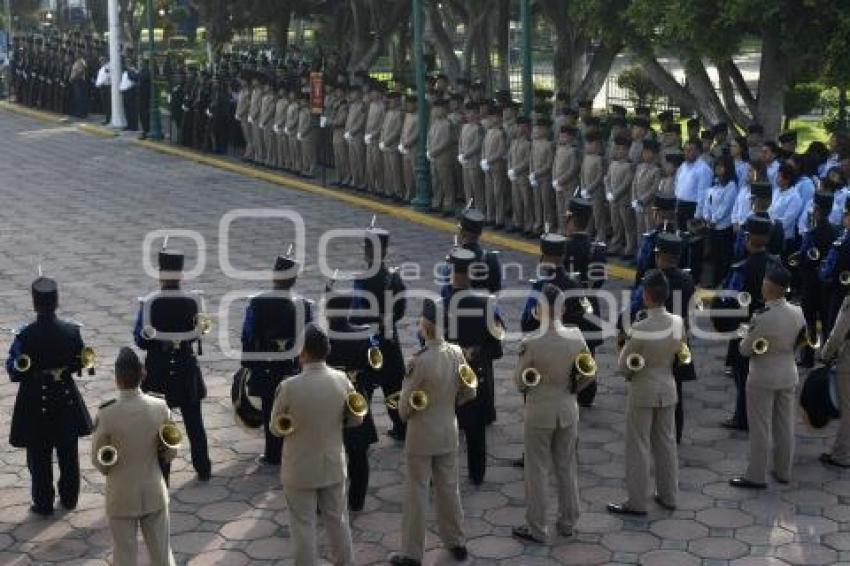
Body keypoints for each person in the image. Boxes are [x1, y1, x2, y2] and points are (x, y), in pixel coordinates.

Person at [389, 300, 474, 566]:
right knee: (449, 488)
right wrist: (450, 405)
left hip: (421, 436)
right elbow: (469, 390)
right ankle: (457, 541)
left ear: (425, 327)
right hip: (448, 430)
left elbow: (404, 409)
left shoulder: (419, 361)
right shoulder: (457, 353)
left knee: (416, 492)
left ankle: (412, 554)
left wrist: (407, 412)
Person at [270, 323, 359, 566]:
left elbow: (275, 428)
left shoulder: (289, 387)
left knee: (303, 526)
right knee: (338, 520)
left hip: (299, 467)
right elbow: (356, 418)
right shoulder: (342, 379)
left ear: (304, 352)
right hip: (332, 463)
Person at [6, 276, 93, 516]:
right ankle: (70, 497)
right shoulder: (72, 331)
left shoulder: (24, 336)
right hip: (65, 395)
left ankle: (43, 503)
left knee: (38, 453)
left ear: (35, 304)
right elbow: (79, 363)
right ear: (57, 302)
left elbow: (14, 371)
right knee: (68, 449)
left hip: (35, 398)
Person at [512, 284, 586, 543]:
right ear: (563, 309)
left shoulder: (531, 342)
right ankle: (568, 521)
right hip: (567, 409)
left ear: (541, 309)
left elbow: (520, 382)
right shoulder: (576, 336)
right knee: (566, 466)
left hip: (540, 412)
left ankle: (537, 527)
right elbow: (588, 374)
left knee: (537, 471)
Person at [91, 347, 177, 566]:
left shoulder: (107, 412)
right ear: (144, 374)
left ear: (117, 378)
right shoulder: (160, 406)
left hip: (121, 496)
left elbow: (99, 461)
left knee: (124, 557)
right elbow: (171, 451)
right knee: (162, 556)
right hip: (154, 491)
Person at [133, 247, 211, 482]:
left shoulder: (150, 302)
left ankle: (162, 473)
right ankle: (203, 468)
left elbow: (140, 339)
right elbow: (202, 331)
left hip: (159, 369)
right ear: (181, 275)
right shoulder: (193, 300)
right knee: (195, 423)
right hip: (186, 366)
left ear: (160, 275)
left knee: (159, 424)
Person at [609, 270, 683, 515]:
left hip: (643, 390)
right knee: (666, 443)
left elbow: (623, 366)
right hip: (668, 387)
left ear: (647, 295)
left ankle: (637, 502)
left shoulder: (640, 327)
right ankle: (669, 495)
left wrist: (621, 344)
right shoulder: (677, 321)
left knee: (638, 445)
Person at [730, 266, 805, 489]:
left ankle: (756, 475)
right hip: (788, 372)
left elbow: (745, 350)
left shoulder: (762, 317)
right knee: (785, 425)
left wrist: (743, 332)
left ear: (768, 287)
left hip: (763, 375)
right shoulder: (798, 312)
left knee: (760, 427)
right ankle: (783, 471)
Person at [240, 255, 313, 465]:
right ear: (294, 280)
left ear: (274, 276)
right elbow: (309, 335)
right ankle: (294, 449)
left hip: (266, 364)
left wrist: (249, 362)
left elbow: (248, 334)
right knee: (293, 407)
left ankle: (272, 453)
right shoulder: (304, 305)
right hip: (291, 365)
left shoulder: (257, 302)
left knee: (269, 407)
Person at [442, 248, 504, 485]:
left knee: (443, 426)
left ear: (452, 271)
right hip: (476, 375)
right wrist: (475, 354)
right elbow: (496, 348)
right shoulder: (487, 304)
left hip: (446, 374)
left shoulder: (440, 304)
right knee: (476, 429)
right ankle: (477, 474)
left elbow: (427, 342)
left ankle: (442, 474)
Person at [626, 234, 696, 443]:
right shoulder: (687, 279)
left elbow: (635, 308)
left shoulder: (651, 279)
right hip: (678, 337)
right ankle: (675, 435)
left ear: (659, 255)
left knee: (647, 388)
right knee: (677, 392)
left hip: (652, 338)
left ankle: (649, 435)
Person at [716, 216, 781, 431]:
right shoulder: (775, 263)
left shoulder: (742, 268)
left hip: (745, 327)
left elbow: (730, 300)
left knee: (741, 372)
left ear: (750, 237)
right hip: (771, 324)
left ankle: (742, 417)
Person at [350, 227, 408, 441]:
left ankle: (363, 429)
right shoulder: (394, 277)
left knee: (364, 385)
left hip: (368, 341)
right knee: (393, 385)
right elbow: (401, 309)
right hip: (390, 338)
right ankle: (401, 426)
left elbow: (356, 315)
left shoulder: (362, 280)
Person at [325, 294, 379, 511]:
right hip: (356, 399)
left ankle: (326, 502)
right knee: (358, 453)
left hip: (328, 400)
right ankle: (357, 501)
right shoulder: (363, 333)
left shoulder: (322, 336)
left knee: (326, 454)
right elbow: (375, 367)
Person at [797, 192, 838, 367]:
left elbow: (804, 257)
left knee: (809, 321)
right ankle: (828, 356)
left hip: (811, 282)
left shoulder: (811, 233)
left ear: (817, 210)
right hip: (828, 284)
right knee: (828, 321)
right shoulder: (837, 232)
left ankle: (807, 358)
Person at [703, 154, 739, 287]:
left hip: (723, 227)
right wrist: (706, 216)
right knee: (714, 256)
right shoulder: (715, 183)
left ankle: (722, 282)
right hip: (712, 226)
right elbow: (708, 201)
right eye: (716, 166)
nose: (718, 169)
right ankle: (714, 281)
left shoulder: (731, 185)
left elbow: (726, 206)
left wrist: (714, 219)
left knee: (723, 257)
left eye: (721, 166)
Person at [606, 134, 636, 260]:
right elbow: (607, 179)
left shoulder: (629, 166)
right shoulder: (612, 164)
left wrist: (615, 194)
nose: (620, 151)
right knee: (615, 223)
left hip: (623, 200)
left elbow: (627, 183)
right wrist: (608, 191)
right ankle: (615, 245)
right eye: (617, 148)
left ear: (628, 150)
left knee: (627, 225)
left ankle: (630, 248)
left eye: (623, 149)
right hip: (613, 200)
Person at [481, 105, 508, 227]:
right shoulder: (489, 131)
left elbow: (501, 151)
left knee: (498, 193)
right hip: (487, 166)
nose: (491, 119)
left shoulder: (501, 132)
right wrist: (483, 159)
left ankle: (499, 219)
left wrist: (489, 160)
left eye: (493, 117)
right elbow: (483, 147)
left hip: (497, 165)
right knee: (489, 192)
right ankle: (489, 216)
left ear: (498, 118)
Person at [552, 125, 581, 234]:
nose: (561, 138)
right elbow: (554, 165)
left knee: (568, 209)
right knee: (560, 209)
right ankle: (561, 228)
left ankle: (569, 230)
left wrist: (560, 180)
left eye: (564, 136)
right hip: (558, 185)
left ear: (571, 138)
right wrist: (554, 179)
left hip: (569, 185)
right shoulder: (559, 149)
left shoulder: (573, 151)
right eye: (561, 136)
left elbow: (573, 169)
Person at [632, 139, 663, 238]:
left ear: (654, 154)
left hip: (649, 205)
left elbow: (654, 189)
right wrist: (634, 199)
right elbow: (634, 183)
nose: (644, 154)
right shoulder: (639, 167)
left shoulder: (656, 170)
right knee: (639, 229)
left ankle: (647, 252)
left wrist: (642, 200)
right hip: (637, 203)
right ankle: (639, 250)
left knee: (648, 229)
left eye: (647, 152)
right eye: (643, 152)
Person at [531, 117, 556, 234]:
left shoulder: (549, 144)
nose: (539, 131)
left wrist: (536, 173)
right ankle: (537, 225)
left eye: (541, 128)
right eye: (538, 128)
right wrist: (531, 173)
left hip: (545, 177)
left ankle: (548, 228)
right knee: (536, 203)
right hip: (535, 177)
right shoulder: (535, 143)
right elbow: (531, 159)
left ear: (547, 130)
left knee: (546, 204)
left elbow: (549, 163)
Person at [508, 116, 533, 235]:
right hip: (514, 176)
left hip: (523, 175)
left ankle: (528, 225)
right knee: (516, 200)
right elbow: (510, 157)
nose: (519, 128)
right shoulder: (514, 142)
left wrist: (516, 170)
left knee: (526, 201)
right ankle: (517, 222)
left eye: (522, 126)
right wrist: (509, 169)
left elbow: (528, 160)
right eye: (518, 126)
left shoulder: (528, 143)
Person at [581, 130, 607, 243]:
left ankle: (601, 237)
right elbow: (581, 173)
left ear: (596, 145)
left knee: (598, 217)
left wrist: (589, 189)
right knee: (588, 215)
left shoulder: (599, 159)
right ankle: (588, 233)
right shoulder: (586, 157)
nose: (586, 146)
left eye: (589, 143)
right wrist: (583, 188)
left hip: (596, 192)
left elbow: (600, 177)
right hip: (586, 191)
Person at [459, 102, 485, 210]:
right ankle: (468, 208)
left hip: (474, 161)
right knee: (467, 187)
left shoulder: (479, 128)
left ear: (476, 114)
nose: (468, 115)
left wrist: (466, 155)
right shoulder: (464, 127)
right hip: (465, 162)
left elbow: (478, 144)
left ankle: (480, 209)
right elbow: (460, 141)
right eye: (467, 112)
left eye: (471, 113)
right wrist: (460, 153)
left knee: (477, 188)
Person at [380, 91, 404, 199]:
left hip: (393, 145)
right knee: (388, 170)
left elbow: (397, 130)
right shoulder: (388, 113)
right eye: (390, 100)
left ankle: (399, 192)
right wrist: (382, 140)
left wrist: (387, 141)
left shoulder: (400, 113)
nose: (391, 103)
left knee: (396, 170)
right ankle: (390, 191)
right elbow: (383, 128)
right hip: (386, 145)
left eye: (393, 100)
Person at [95, 57, 110, 125]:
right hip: (102, 87)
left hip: (106, 87)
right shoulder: (102, 68)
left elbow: (106, 77)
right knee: (105, 104)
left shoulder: (107, 67)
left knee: (107, 104)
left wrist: (99, 83)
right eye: (100, 61)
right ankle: (107, 118)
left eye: (102, 60)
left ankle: (108, 119)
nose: (100, 62)